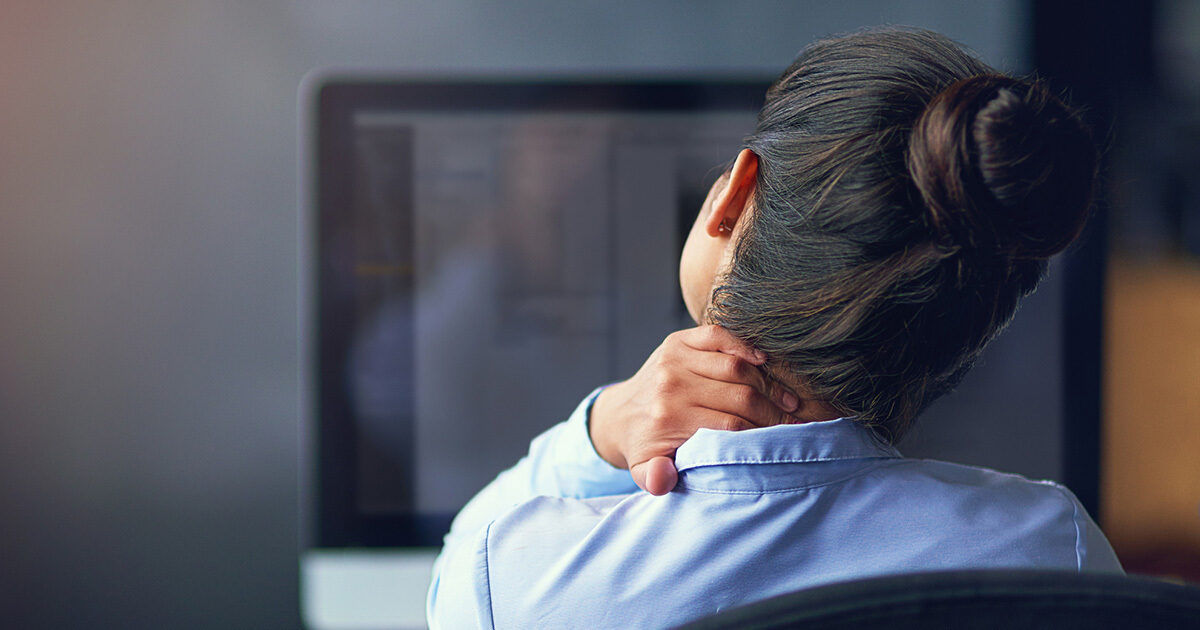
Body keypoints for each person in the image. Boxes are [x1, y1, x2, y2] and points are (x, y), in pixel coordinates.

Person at [426, 27, 1123, 629]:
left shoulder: (517, 583)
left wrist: (597, 432)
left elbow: (460, 562)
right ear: (975, 327)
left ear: (733, 195)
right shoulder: (1054, 553)